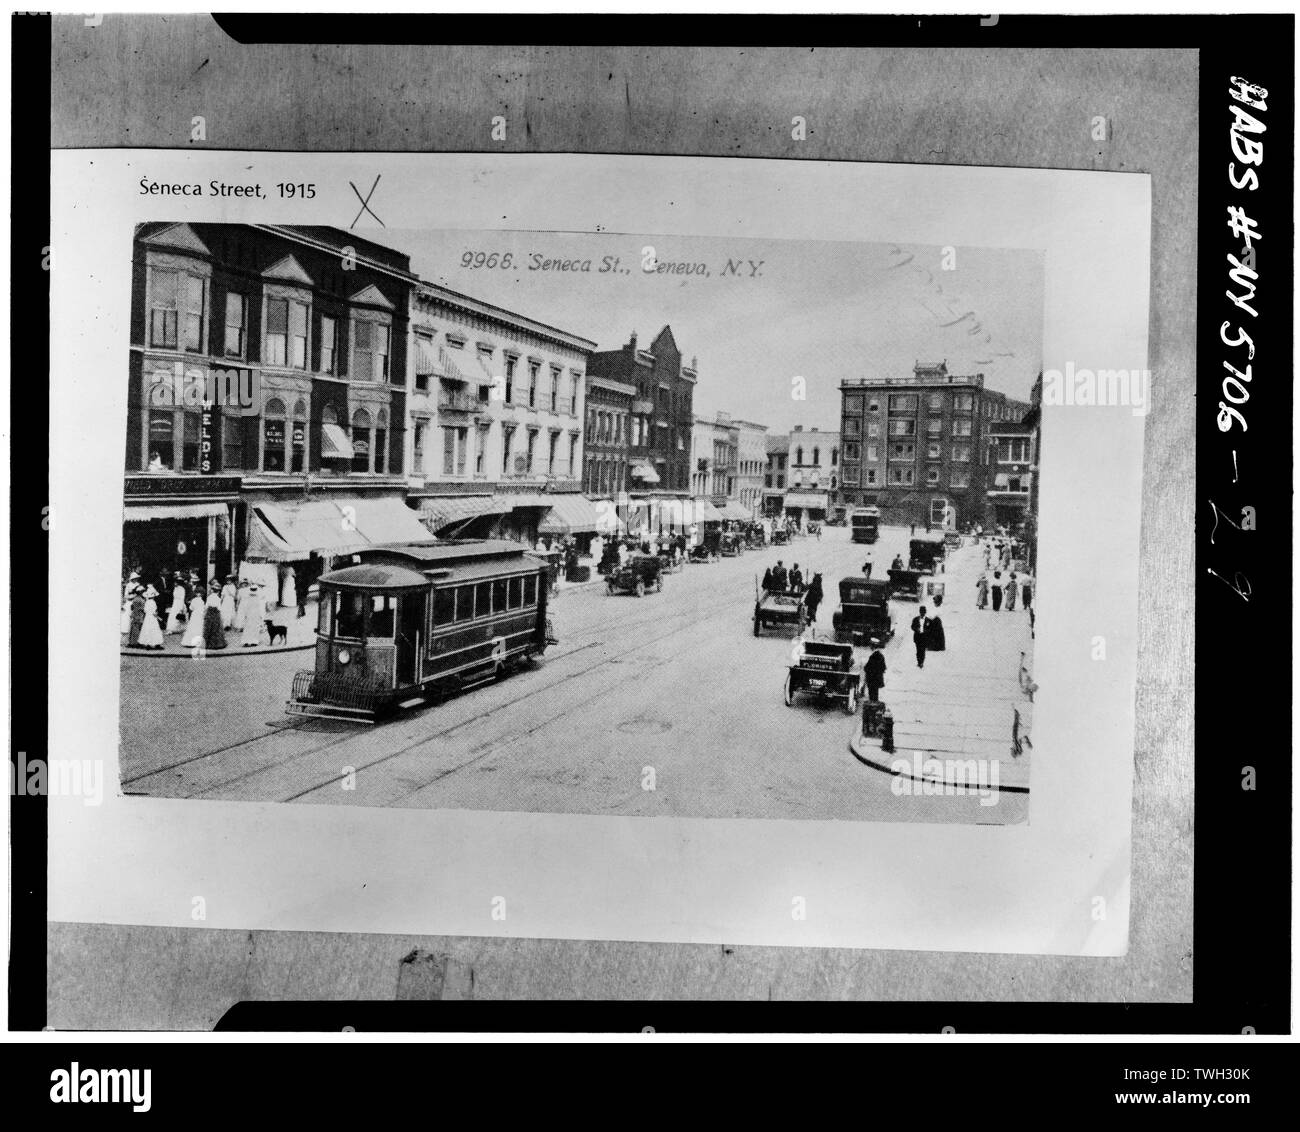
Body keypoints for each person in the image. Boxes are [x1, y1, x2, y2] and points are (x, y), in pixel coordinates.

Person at [138, 585, 165, 650]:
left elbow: (145, 610)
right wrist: (158, 616)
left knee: (147, 629)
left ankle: (148, 643)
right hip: (152, 618)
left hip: (147, 617)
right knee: (154, 629)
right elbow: (154, 612)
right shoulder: (153, 602)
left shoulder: (147, 602)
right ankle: (156, 643)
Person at [203, 582, 228, 649]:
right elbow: (219, 608)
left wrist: (205, 613)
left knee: (208, 628)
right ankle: (217, 644)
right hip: (216, 614)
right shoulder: (218, 598)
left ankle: (208, 643)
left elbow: (206, 606)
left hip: (209, 613)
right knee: (216, 629)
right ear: (218, 592)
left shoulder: (209, 597)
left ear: (212, 590)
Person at [240, 583, 266, 647]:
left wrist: (244, 615)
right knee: (253, 628)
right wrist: (261, 616)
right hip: (254, 615)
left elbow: (245, 607)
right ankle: (253, 641)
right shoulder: (257, 598)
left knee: (249, 627)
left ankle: (248, 641)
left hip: (251, 615)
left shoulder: (248, 597)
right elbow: (260, 608)